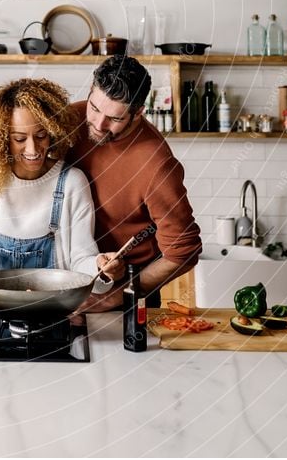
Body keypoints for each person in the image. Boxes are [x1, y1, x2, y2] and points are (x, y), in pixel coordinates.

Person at [0, 77, 122, 288]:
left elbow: (81, 262)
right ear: (1, 138)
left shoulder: (72, 183)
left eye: (41, 135)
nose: (33, 150)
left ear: (52, 131)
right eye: (19, 139)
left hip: (55, 313)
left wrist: (100, 268)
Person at [68, 55, 202, 309]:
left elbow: (184, 252)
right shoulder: (70, 119)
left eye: (115, 119)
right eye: (94, 107)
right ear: (90, 92)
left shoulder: (156, 164)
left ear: (138, 112)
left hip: (125, 293)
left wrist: (115, 299)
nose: (98, 124)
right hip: (68, 280)